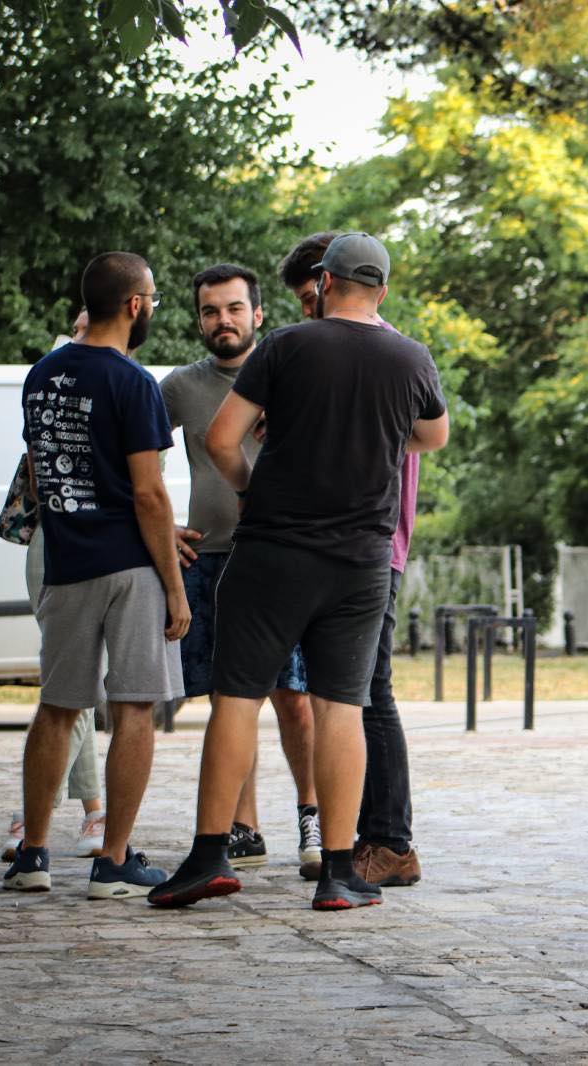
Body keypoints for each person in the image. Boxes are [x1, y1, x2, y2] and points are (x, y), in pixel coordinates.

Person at [149, 232, 448, 911]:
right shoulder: (410, 357)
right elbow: (432, 435)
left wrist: (252, 487)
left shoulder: (285, 345)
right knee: (342, 705)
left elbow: (221, 440)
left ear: (326, 280)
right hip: (363, 560)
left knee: (238, 696)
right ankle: (341, 872)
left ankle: (208, 857)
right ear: (383, 289)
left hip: (273, 552)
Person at [3, 252, 189, 899]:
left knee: (57, 710)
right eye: (153, 301)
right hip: (129, 565)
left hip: (65, 564)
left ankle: (32, 857)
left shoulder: (41, 376)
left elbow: (39, 470)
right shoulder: (132, 382)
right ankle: (111, 862)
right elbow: (150, 495)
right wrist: (173, 585)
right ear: (135, 305)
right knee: (134, 707)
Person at [161, 263, 322, 879]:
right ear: (198, 319)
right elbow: (127, 453)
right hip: (210, 557)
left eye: (233, 308)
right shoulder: (180, 387)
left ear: (258, 314)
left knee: (295, 699)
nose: (221, 320)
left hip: (279, 555)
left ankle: (311, 815)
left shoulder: (291, 372)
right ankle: (244, 826)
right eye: (209, 311)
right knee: (232, 700)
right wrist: (158, 527)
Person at [281, 231, 424, 889]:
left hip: (369, 547)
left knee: (370, 692)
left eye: (313, 294)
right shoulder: (356, 347)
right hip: (354, 545)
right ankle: (373, 835)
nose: (311, 308)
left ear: (334, 281)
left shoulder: (378, 351)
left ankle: (390, 841)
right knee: (354, 692)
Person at [4, 311, 106, 865]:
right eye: (79, 325)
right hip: (52, 537)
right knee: (70, 678)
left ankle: (77, 809)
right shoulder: (51, 378)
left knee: (78, 681)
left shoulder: (126, 381)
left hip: (105, 544)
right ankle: (79, 812)